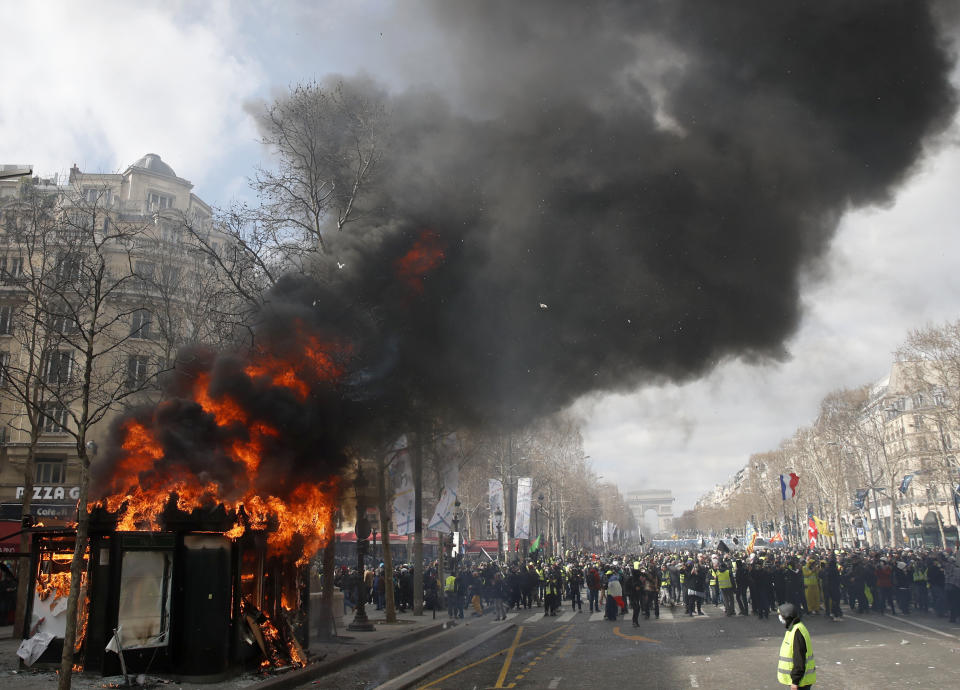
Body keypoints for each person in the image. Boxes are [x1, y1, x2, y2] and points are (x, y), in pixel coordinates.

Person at [776, 603, 817, 689]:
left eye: (780, 615)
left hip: (800, 682)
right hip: (800, 681)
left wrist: (795, 681)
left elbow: (799, 658)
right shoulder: (794, 628)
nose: (779, 617)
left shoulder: (797, 631)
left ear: (786, 616)